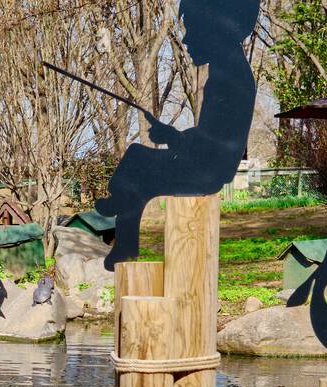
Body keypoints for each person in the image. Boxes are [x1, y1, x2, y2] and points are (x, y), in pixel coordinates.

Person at [95, 0, 260, 269]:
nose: (186, 39)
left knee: (137, 161)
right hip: (208, 167)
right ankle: (125, 235)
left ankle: (124, 240)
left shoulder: (229, 78)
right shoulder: (227, 71)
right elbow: (211, 137)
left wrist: (173, 138)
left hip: (207, 172)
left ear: (216, 30)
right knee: (138, 166)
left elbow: (214, 145)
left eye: (193, 29)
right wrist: (172, 136)